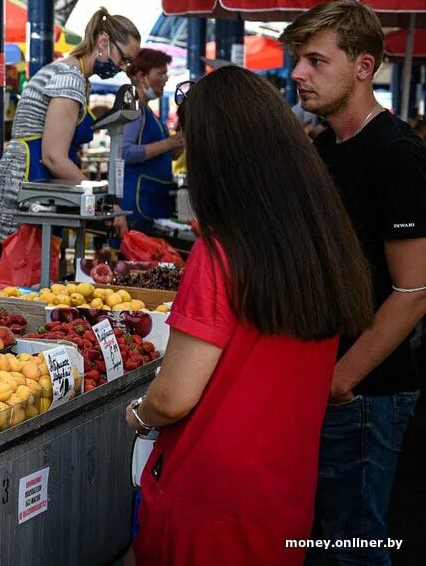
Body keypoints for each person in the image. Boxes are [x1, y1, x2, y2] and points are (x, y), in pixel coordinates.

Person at [125, 66, 374, 565]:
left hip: (209, 498)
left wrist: (136, 415)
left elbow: (174, 397)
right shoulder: (323, 245)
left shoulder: (221, 254)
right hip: (283, 493)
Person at [280, 0, 426, 566]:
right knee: (320, 541)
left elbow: (414, 292)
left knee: (354, 547)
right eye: (298, 59)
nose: (298, 73)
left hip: (366, 394)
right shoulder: (324, 149)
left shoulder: (396, 155)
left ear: (364, 67)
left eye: (315, 61)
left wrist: (342, 378)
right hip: (323, 383)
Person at [0, 6, 140, 243]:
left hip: (34, 189)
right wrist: (103, 200)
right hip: (22, 192)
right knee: (18, 276)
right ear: (103, 41)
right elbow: (53, 157)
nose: (124, 68)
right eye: (124, 58)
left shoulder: (76, 77)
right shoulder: (70, 78)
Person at [120, 48, 183, 230]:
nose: (165, 79)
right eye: (160, 74)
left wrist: (176, 148)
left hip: (150, 202)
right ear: (141, 76)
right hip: (136, 205)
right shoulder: (134, 110)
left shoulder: (150, 114)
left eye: (166, 74)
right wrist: (169, 143)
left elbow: (162, 155)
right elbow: (125, 152)